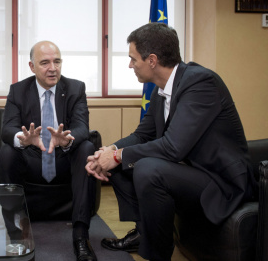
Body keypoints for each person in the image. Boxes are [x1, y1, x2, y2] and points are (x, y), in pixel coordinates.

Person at [85, 23, 257, 261]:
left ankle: (157, 255)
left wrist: (117, 156)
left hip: (222, 181)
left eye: (133, 59)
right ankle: (143, 233)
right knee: (124, 163)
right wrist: (110, 150)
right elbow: (143, 135)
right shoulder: (162, 89)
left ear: (152, 60)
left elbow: (173, 147)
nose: (130, 65)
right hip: (192, 172)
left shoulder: (200, 82)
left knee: (144, 166)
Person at [0, 40, 98, 261]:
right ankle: (14, 231)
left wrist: (66, 140)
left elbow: (82, 127)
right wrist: (24, 139)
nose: (53, 68)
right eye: (45, 63)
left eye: (57, 61)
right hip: (32, 156)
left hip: (64, 156)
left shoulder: (75, 88)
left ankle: (81, 236)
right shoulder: (18, 90)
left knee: (87, 147)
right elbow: (7, 129)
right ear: (32, 67)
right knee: (7, 152)